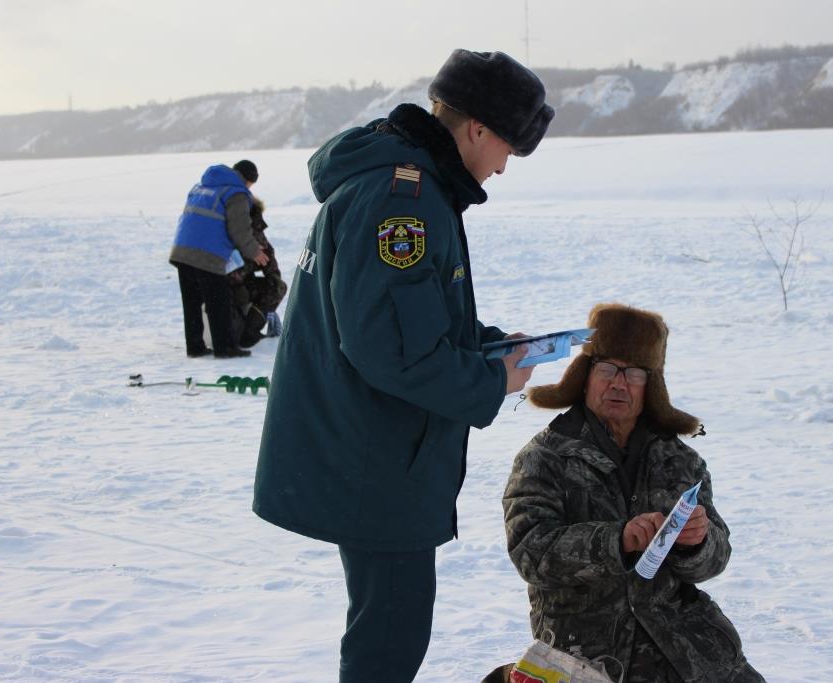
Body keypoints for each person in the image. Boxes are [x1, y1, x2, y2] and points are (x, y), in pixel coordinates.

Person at [252, 49, 554, 683]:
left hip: (377, 449)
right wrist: (492, 380)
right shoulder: (403, 200)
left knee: (389, 626)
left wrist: (487, 346)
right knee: (389, 636)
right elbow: (391, 351)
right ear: (478, 129)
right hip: (377, 460)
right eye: (508, 148)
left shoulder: (409, 185)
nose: (504, 167)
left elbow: (407, 318)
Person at [500, 303, 764, 683]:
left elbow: (715, 560)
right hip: (584, 656)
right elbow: (530, 552)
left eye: (634, 373)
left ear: (650, 386)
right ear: (585, 376)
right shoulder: (544, 458)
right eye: (607, 369)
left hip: (690, 650)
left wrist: (698, 543)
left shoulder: (680, 460)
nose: (618, 384)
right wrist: (617, 541)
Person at [169, 159, 268, 358]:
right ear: (248, 180)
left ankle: (195, 347)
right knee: (218, 301)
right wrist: (255, 252)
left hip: (182, 250)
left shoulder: (201, 187)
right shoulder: (237, 193)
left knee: (192, 302)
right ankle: (225, 347)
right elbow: (239, 230)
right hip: (208, 254)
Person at [227, 196, 287, 348]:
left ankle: (250, 331)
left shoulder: (253, 228)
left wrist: (273, 278)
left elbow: (268, 259)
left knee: (276, 286)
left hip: (241, 284)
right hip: (222, 288)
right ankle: (241, 332)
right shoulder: (223, 230)